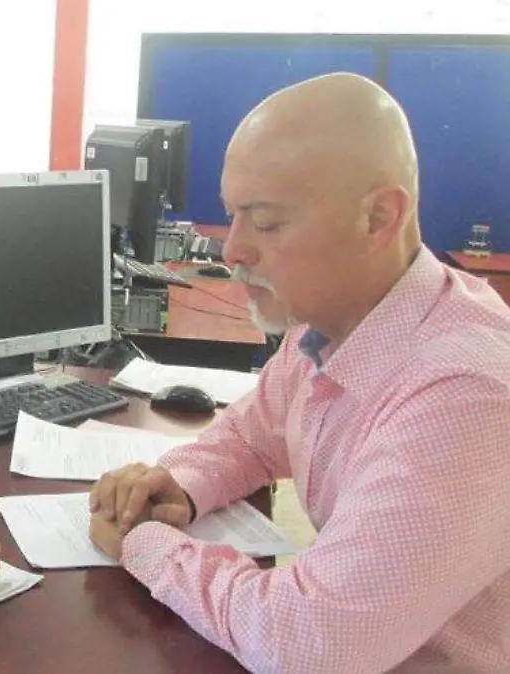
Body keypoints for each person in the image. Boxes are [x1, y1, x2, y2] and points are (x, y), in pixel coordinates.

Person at [88, 73, 510, 673]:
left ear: (378, 217)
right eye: (233, 216)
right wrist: (178, 483)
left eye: (264, 222)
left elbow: (309, 645)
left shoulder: (465, 394)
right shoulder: (327, 326)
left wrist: (147, 545)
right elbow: (249, 437)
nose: (232, 250)